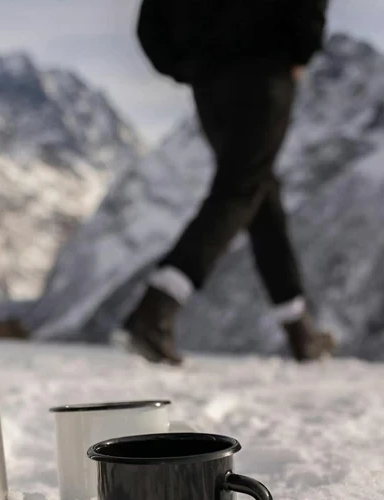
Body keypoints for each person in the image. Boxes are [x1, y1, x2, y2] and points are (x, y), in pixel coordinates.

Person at [124, 0, 336, 366]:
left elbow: (149, 24)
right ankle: (156, 308)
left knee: (258, 192)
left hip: (209, 83)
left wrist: (188, 65)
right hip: (265, 69)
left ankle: (298, 329)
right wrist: (301, 48)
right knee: (239, 191)